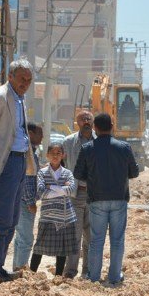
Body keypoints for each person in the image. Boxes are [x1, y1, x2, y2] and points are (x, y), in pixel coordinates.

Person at [0, 59, 35, 283]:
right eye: (22, 78)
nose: (25, 83)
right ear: (10, 76)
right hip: (5, 163)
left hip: (20, 161)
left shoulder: (20, 99)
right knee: (3, 218)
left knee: (13, 219)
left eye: (29, 80)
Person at [74, 113, 140, 286]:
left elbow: (77, 174)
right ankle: (114, 277)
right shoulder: (124, 147)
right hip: (119, 199)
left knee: (96, 240)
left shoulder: (87, 148)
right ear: (112, 126)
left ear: (95, 127)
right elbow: (134, 172)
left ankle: (94, 277)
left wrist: (93, 177)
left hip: (96, 199)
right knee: (117, 239)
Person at [30, 143, 78, 276]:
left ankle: (58, 276)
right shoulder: (42, 173)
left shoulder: (68, 173)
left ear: (63, 155)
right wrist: (62, 189)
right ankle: (32, 274)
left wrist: (50, 186)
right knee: (39, 246)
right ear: (47, 155)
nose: (55, 156)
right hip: (48, 216)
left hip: (65, 217)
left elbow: (72, 190)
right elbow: (41, 192)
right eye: (52, 153)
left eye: (58, 153)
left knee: (62, 249)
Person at [62, 110, 95, 278]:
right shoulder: (68, 143)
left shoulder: (100, 142)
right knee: (74, 235)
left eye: (89, 118)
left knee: (90, 236)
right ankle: (70, 271)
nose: (86, 121)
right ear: (78, 123)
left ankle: (87, 271)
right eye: (83, 119)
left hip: (94, 196)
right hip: (75, 194)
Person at [12, 123, 43, 272]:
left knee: (20, 238)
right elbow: (27, 179)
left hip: (20, 201)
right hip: (25, 203)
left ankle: (17, 269)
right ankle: (21, 271)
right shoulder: (27, 153)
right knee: (25, 239)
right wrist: (31, 201)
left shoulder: (30, 151)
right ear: (30, 133)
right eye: (39, 134)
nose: (42, 137)